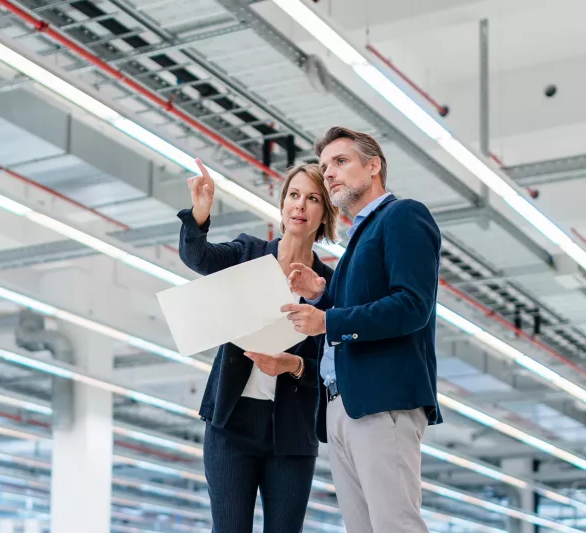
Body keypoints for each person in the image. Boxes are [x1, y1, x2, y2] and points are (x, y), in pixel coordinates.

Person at [283, 126, 442, 533]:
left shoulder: (403, 215)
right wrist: (322, 294)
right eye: (324, 165)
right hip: (342, 404)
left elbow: (412, 306)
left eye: (340, 162)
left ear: (373, 166)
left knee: (395, 525)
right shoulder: (358, 238)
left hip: (380, 400)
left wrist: (328, 320)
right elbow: (355, 305)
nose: (329, 173)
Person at [178, 158, 338, 533]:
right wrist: (199, 215)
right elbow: (197, 258)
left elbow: (338, 367)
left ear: (324, 214)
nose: (300, 205)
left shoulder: (330, 285)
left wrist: (294, 366)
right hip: (231, 425)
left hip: (292, 431)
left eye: (313, 198)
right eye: (294, 195)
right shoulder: (248, 253)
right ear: (282, 206)